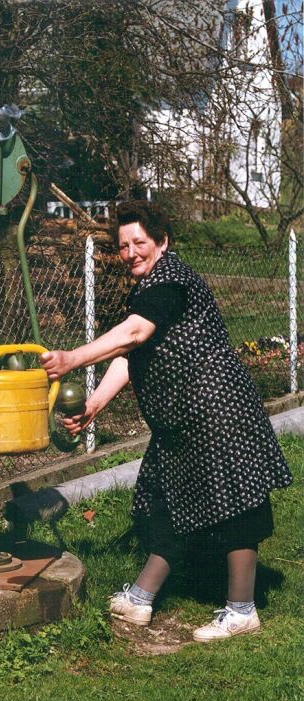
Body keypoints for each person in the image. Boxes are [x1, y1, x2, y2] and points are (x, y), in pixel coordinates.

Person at [40, 201, 292, 642]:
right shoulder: (149, 286)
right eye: (123, 246)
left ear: (162, 242)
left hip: (217, 410)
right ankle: (140, 599)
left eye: (140, 242)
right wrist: (95, 403)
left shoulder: (171, 281)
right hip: (181, 420)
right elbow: (134, 352)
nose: (131, 252)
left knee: (234, 507)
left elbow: (134, 334)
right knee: (163, 502)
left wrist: (71, 359)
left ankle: (241, 611)